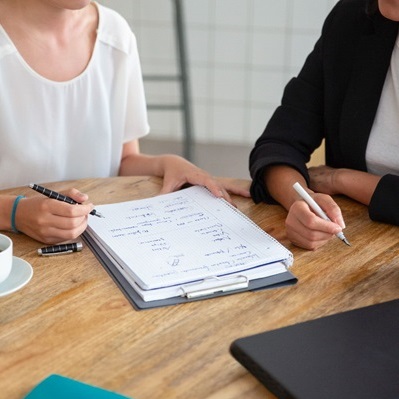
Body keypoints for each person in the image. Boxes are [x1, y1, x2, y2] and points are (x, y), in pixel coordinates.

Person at [0, 0, 250, 244]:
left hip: (91, 246)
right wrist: (15, 214)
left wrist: (167, 164)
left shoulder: (115, 35)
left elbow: (122, 161)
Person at [249, 0, 399, 250]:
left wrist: (341, 179)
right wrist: (301, 203)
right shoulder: (353, 17)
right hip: (356, 241)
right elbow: (278, 144)